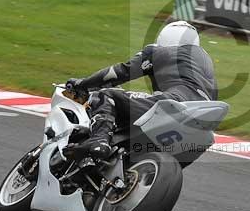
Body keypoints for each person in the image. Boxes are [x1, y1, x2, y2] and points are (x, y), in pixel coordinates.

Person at [62, 21, 218, 161]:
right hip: (201, 124)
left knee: (106, 95)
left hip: (175, 104)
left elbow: (118, 73)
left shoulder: (157, 52)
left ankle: (99, 141)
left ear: (163, 39)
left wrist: (82, 83)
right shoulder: (206, 65)